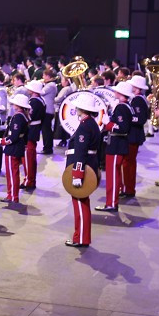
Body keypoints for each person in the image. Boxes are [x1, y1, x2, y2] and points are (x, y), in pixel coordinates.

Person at [64, 92, 103, 247]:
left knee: (80, 203)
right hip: (90, 165)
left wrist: (77, 174)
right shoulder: (91, 123)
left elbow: (80, 152)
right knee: (83, 203)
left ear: (82, 108)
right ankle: (82, 236)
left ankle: (80, 238)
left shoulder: (85, 127)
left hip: (83, 167)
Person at [95, 82, 133, 213]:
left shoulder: (122, 108)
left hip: (117, 144)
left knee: (113, 176)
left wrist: (108, 123)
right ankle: (111, 202)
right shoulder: (124, 106)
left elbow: (122, 128)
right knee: (113, 175)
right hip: (116, 144)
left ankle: (111, 203)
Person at [121, 75, 149, 198]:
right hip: (133, 135)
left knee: (128, 163)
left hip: (134, 135)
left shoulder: (138, 100)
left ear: (137, 88)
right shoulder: (137, 98)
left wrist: (126, 118)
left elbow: (140, 119)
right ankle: (128, 188)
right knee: (128, 162)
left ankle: (128, 189)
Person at [2, 94, 30, 204]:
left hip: (13, 147)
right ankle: (12, 194)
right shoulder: (23, 116)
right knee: (13, 172)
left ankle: (12, 195)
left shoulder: (18, 116)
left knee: (12, 173)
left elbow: (14, 136)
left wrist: (3, 142)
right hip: (18, 146)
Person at [22, 79, 47, 191]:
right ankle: (30, 179)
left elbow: (30, 116)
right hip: (35, 129)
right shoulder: (40, 100)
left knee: (29, 157)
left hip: (31, 129)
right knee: (30, 157)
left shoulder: (33, 102)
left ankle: (29, 180)